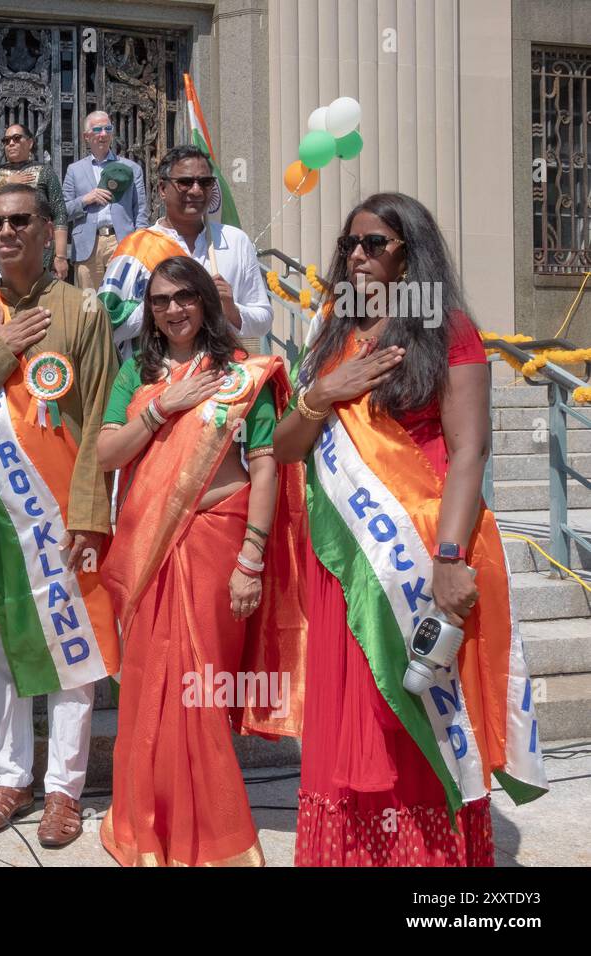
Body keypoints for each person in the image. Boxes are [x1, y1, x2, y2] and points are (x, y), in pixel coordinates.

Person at [274, 192, 549, 867]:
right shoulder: (332, 328)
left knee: (416, 714)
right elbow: (285, 447)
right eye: (350, 245)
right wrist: (324, 391)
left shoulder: (447, 329)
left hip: (418, 552)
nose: (357, 256)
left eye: (375, 244)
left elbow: (470, 451)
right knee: (353, 720)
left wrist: (452, 557)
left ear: (410, 252)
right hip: (349, 559)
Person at [96, 255, 303, 866]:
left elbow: (265, 464)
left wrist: (252, 558)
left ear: (205, 303)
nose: (173, 310)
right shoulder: (135, 371)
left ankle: (209, 832)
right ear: (149, 310)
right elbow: (107, 452)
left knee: (197, 687)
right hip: (149, 543)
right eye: (160, 301)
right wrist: (165, 405)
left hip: (220, 541)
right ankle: (147, 820)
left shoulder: (243, 374)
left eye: (184, 297)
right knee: (148, 686)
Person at [0, 183, 118, 848]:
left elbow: (100, 411)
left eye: (21, 220)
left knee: (74, 653)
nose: (7, 231)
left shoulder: (83, 309)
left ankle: (63, 792)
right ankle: (11, 778)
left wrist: (87, 512)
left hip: (61, 514)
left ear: (49, 230)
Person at [103, 145, 272, 355]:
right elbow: (106, 326)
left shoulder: (236, 240)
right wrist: (159, 304)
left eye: (205, 182)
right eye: (185, 182)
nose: (196, 190)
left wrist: (230, 309)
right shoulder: (136, 247)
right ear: (163, 189)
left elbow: (263, 320)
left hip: (221, 375)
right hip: (157, 374)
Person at [62, 111, 147, 290]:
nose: (103, 134)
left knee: (121, 299)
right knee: (89, 304)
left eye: (108, 129)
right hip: (87, 246)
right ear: (86, 136)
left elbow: (140, 211)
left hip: (121, 242)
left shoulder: (131, 168)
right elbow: (63, 211)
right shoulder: (74, 170)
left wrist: (139, 245)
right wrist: (85, 200)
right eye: (98, 129)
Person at [0, 124, 69, 278]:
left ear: (30, 143)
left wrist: (61, 256)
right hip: (5, 246)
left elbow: (59, 212)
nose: (11, 143)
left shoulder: (45, 172)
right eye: (6, 141)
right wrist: (6, 182)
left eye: (17, 138)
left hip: (39, 250)